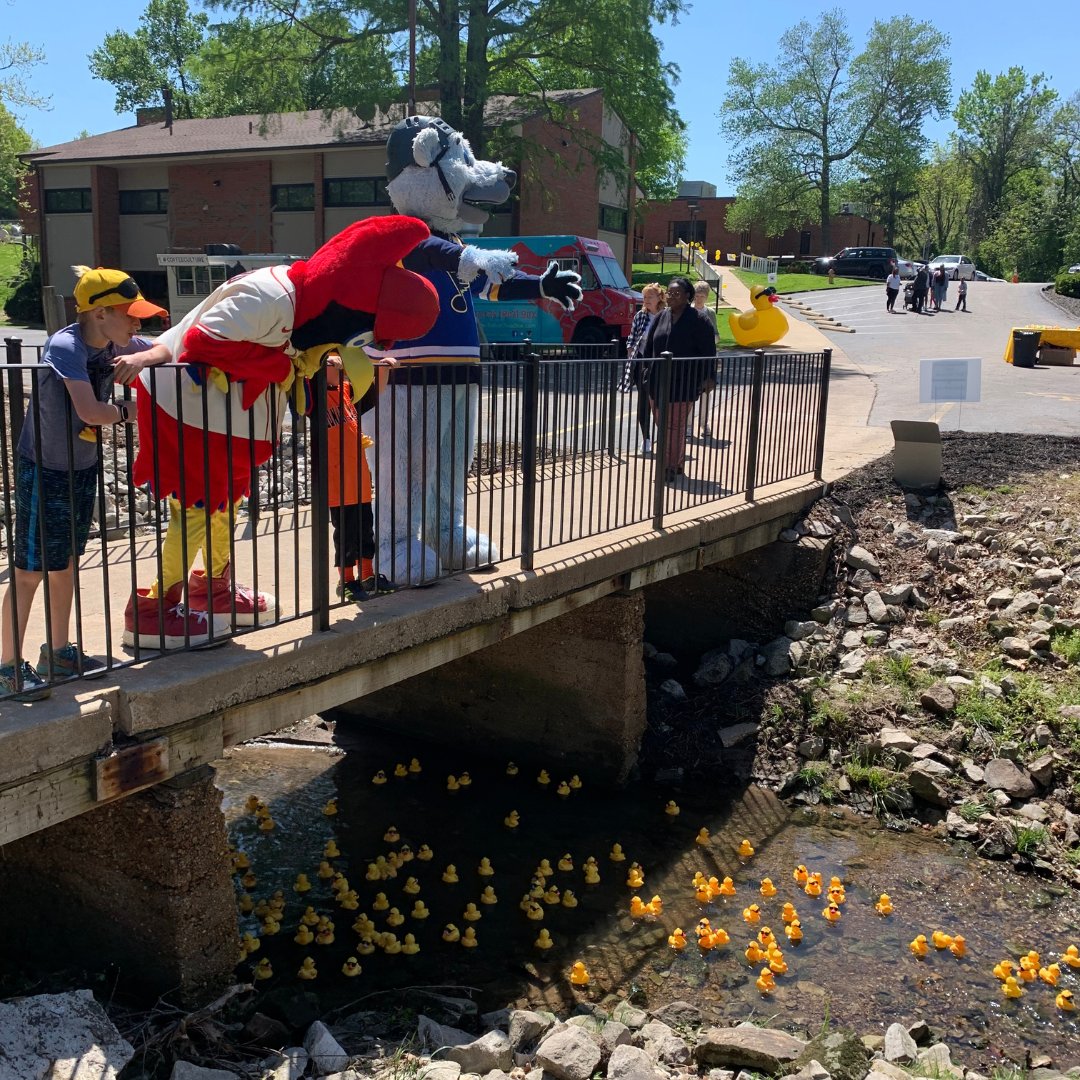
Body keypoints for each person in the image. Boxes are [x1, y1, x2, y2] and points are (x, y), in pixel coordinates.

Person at [0, 268, 166, 700]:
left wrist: (139, 358)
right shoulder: (65, 345)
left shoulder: (116, 344)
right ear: (101, 312)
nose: (137, 324)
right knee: (28, 571)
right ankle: (6, 668)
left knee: (66, 563)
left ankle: (56, 654)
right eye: (131, 315)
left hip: (81, 467)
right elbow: (92, 412)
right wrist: (131, 413)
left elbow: (166, 348)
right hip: (46, 469)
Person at [324, 354, 398, 601]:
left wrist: (384, 367)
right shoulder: (313, 397)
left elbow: (373, 392)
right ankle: (346, 580)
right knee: (345, 532)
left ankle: (368, 575)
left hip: (358, 475)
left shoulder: (346, 391)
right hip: (336, 478)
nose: (338, 367)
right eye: (330, 363)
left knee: (366, 527)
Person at [641, 277, 717, 482]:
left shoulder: (699, 320)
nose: (672, 297)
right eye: (670, 293)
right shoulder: (661, 317)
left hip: (684, 382)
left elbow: (709, 351)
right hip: (658, 381)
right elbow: (649, 346)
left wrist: (709, 377)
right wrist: (645, 369)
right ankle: (678, 461)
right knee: (661, 422)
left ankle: (670, 466)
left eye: (677, 294)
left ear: (687, 297)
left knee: (674, 424)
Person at [620, 283, 665, 453]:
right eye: (644, 297)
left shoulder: (666, 315)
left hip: (660, 363)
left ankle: (663, 437)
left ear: (659, 298)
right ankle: (646, 438)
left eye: (649, 297)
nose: (645, 300)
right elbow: (632, 338)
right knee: (644, 401)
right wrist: (630, 357)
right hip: (642, 363)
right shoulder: (640, 316)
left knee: (660, 402)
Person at [692, 280, 721, 437]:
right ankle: (688, 425)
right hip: (691, 358)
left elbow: (716, 336)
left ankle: (704, 424)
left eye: (702, 296)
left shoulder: (710, 313)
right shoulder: (688, 311)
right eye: (696, 296)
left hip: (707, 358)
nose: (699, 299)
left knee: (705, 392)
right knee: (689, 392)